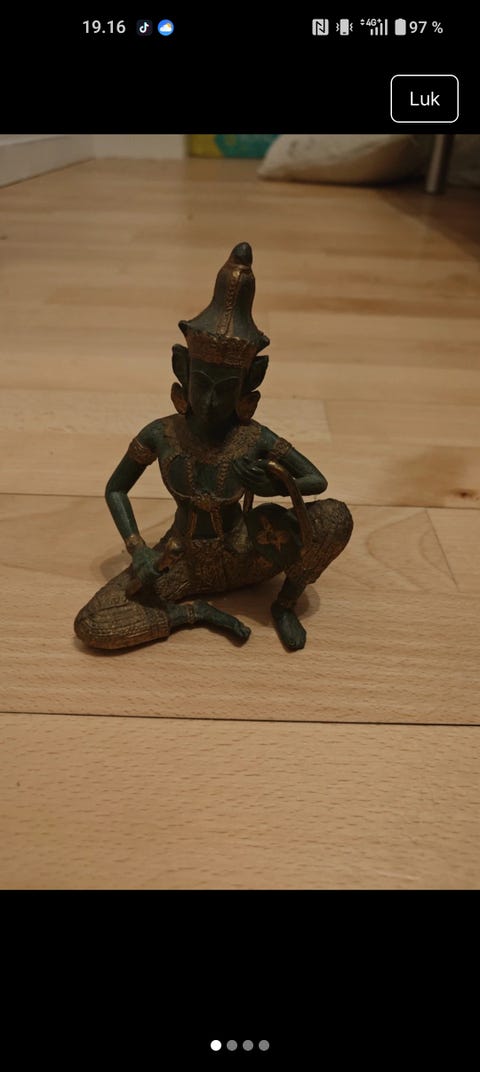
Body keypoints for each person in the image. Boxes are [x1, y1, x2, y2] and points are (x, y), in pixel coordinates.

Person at [74, 243, 353, 651]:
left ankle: (284, 604)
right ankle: (197, 613)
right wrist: (138, 550)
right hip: (182, 559)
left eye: (224, 391)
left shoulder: (253, 438)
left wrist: (272, 486)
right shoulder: (161, 434)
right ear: (183, 374)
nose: (208, 402)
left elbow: (316, 479)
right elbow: (116, 488)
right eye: (202, 385)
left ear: (246, 389)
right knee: (94, 623)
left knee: (336, 518)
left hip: (245, 551)